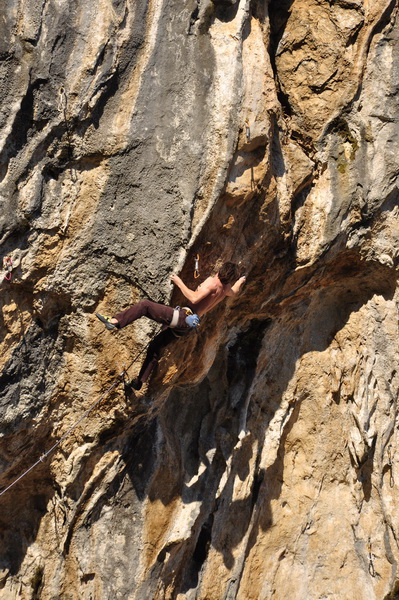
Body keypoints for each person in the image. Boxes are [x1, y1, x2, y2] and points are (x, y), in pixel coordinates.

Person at [96, 262, 246, 390]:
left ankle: (115, 322)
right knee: (155, 346)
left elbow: (194, 298)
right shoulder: (225, 289)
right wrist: (241, 280)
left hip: (183, 317)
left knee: (145, 306)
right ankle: (139, 382)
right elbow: (235, 291)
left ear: (220, 271)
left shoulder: (212, 283)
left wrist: (178, 281)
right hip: (188, 326)